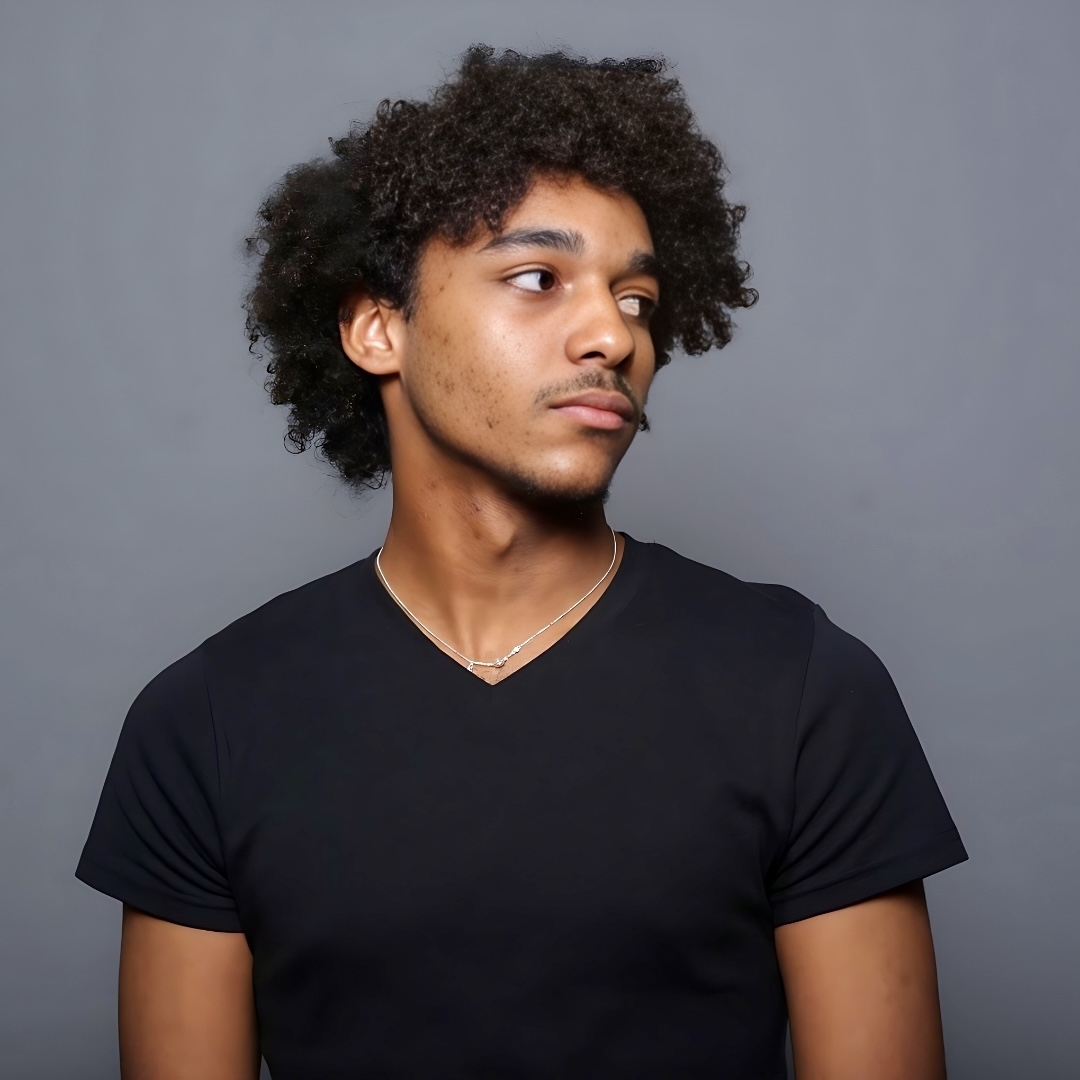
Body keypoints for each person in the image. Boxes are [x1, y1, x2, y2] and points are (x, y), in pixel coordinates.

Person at [76, 45, 968, 1079]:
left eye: (636, 299)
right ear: (377, 329)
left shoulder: (802, 688)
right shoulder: (207, 721)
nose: (612, 337)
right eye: (539, 279)